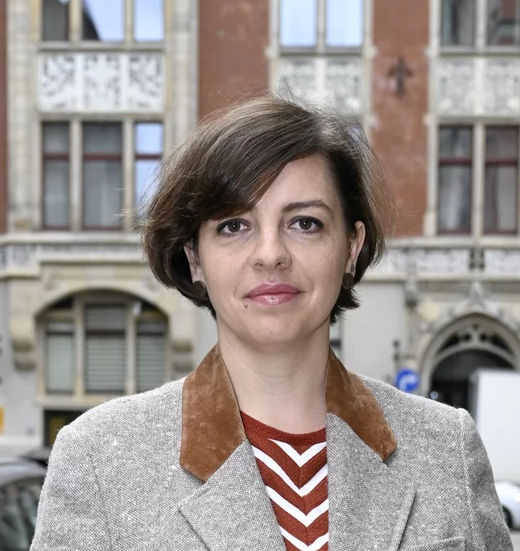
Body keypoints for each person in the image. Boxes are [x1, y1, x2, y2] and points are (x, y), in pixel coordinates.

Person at [30, 96, 512, 551]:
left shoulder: (446, 448)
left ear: (351, 246)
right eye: (233, 226)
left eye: (305, 223)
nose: (270, 255)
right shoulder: (99, 460)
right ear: (194, 257)